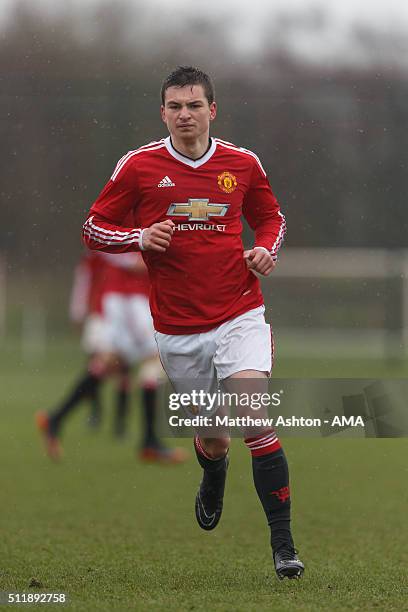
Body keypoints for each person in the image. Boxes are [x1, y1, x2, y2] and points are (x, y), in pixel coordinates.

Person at [82, 66, 304, 579]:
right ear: (163, 113)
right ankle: (213, 469)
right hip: (178, 327)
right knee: (215, 438)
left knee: (253, 419)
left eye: (194, 105)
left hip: (239, 311)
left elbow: (271, 217)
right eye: (175, 106)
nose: (185, 114)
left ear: (212, 110)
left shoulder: (241, 163)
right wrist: (138, 238)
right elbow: (94, 227)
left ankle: (284, 546)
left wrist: (267, 250)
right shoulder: (138, 167)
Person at [37, 250, 188, 464]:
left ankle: (56, 419)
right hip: (129, 298)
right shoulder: (132, 220)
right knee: (155, 359)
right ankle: (149, 442)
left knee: (109, 364)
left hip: (127, 297)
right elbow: (104, 240)